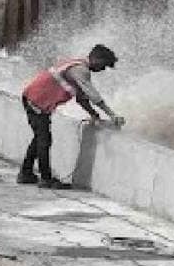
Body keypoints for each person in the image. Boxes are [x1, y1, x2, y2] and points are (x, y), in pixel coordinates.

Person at [18, 44, 124, 189]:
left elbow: (81, 98)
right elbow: (93, 95)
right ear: (96, 59)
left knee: (40, 138)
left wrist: (94, 115)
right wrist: (113, 115)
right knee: (44, 140)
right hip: (36, 101)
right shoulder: (80, 70)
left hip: (34, 99)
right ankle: (46, 179)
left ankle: (26, 173)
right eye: (104, 65)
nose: (103, 69)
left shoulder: (76, 65)